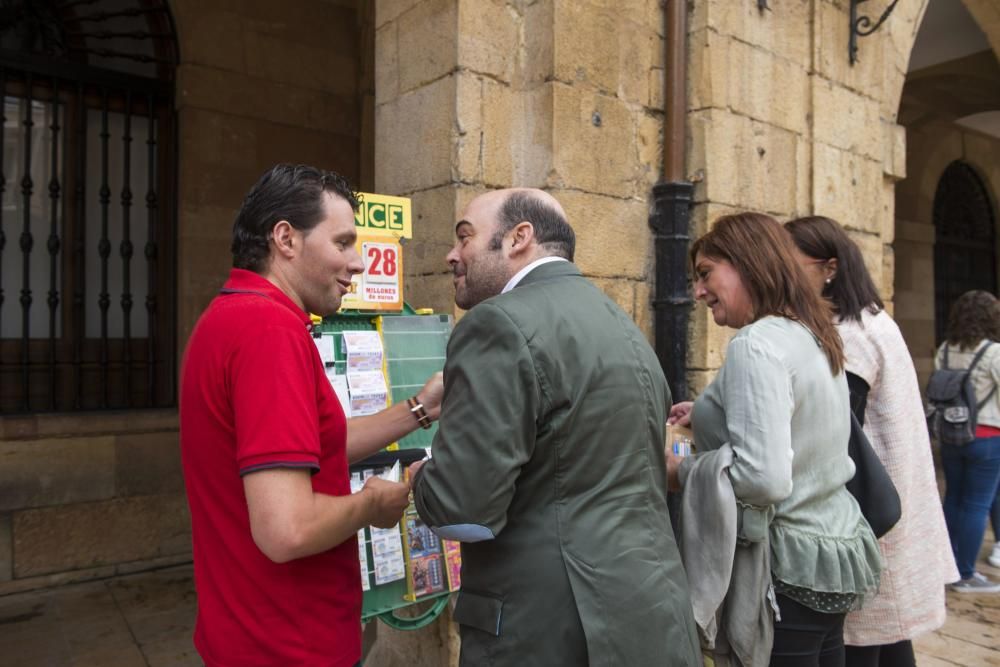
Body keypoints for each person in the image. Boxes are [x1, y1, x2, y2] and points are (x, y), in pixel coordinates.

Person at [410, 188, 701, 666]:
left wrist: (421, 478)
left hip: (548, 631)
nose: (451, 255)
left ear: (520, 237)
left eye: (465, 238)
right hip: (652, 615)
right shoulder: (624, 328)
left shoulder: (496, 324)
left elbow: (463, 511)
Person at [179, 164, 443, 667]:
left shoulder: (231, 315)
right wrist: (370, 505)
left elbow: (317, 446)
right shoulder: (267, 331)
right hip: (287, 645)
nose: (359, 262)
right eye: (343, 243)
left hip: (250, 633)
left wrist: (421, 409)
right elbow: (287, 529)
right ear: (286, 239)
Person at [667, 212, 882, 667]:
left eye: (706, 274)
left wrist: (681, 470)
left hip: (785, 566)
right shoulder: (812, 331)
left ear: (748, 264)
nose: (699, 291)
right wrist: (705, 412)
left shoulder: (755, 343)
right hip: (833, 551)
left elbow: (762, 477)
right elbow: (799, 423)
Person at [785, 215, 958, 666]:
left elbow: (836, 433)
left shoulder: (848, 336)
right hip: (894, 511)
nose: (781, 274)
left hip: (871, 520)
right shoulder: (872, 321)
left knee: (869, 638)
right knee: (891, 640)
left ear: (829, 268)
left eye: (791, 263)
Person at [933, 289, 1000, 592]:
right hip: (987, 436)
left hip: (952, 436)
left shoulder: (946, 348)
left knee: (954, 499)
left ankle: (945, 566)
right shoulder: (993, 352)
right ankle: (966, 574)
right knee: (977, 505)